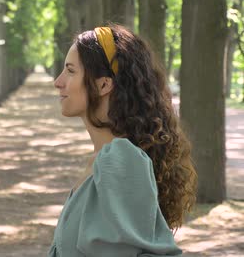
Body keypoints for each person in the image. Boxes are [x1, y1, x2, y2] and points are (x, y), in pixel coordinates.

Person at [49, 25, 197, 256]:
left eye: (70, 71)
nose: (58, 81)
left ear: (104, 84)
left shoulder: (120, 158)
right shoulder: (104, 158)